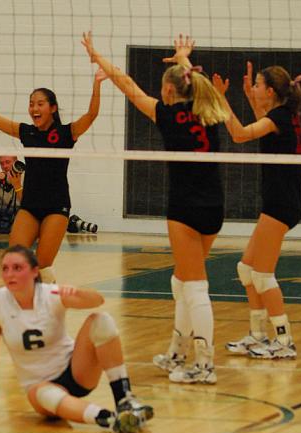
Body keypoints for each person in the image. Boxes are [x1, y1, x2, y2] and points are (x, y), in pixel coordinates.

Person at [82, 33, 229, 384]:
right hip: (214, 206)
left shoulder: (165, 114)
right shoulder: (211, 111)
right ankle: (178, 353)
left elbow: (125, 82)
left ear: (167, 91)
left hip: (184, 208)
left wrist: (97, 56)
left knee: (193, 286)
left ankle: (204, 364)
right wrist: (182, 58)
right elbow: (189, 83)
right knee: (181, 281)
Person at [0, 245, 153, 433]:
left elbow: (97, 301)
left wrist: (76, 292)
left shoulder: (50, 294)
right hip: (39, 386)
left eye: (17, 268)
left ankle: (125, 400)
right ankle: (112, 419)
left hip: (76, 371)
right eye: (5, 268)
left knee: (101, 320)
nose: (9, 274)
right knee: (47, 394)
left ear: (35, 271)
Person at [0, 62, 107, 283]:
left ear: (52, 108)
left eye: (40, 104)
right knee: (14, 260)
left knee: (43, 268)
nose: (34, 108)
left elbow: (91, 115)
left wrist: (96, 85)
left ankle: (49, 303)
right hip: (30, 205)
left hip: (56, 206)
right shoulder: (27, 132)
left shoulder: (66, 133)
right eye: (31, 104)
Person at [212, 62, 301, 359]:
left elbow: (240, 134)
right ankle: (257, 335)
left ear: (269, 91)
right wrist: (249, 97)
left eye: (257, 86)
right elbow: (262, 128)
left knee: (263, 275)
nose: (253, 89)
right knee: (247, 269)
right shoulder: (281, 117)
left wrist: (220, 98)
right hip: (278, 202)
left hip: (281, 204)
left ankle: (284, 340)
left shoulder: (278, 117)